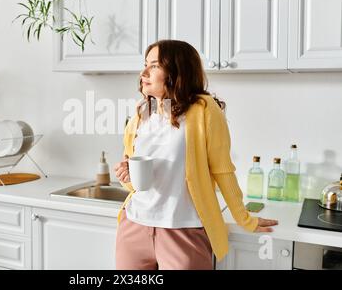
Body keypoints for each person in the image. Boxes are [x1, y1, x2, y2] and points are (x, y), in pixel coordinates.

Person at [113, 40, 278, 270]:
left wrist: (245, 218)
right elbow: (135, 182)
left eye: (154, 66)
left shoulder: (204, 109)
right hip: (134, 227)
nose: (143, 73)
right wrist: (127, 175)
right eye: (144, 65)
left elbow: (223, 169)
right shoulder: (141, 114)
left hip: (183, 230)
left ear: (176, 71)